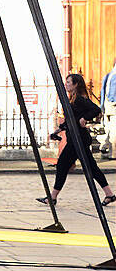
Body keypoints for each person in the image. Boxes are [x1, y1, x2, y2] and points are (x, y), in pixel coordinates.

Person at [37, 73, 115, 207]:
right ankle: (109, 194)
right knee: (91, 168)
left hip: (79, 139)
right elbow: (71, 120)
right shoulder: (72, 99)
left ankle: (52, 198)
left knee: (62, 165)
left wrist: (85, 118)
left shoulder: (79, 99)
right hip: (76, 137)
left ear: (76, 85)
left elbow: (95, 109)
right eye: (66, 82)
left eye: (69, 82)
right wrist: (59, 130)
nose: (66, 84)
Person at [100, 57, 116, 158]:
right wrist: (113, 101)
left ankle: (106, 147)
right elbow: (112, 93)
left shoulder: (110, 74)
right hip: (113, 106)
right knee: (114, 129)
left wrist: (102, 106)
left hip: (108, 106)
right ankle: (113, 153)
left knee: (111, 128)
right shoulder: (114, 75)